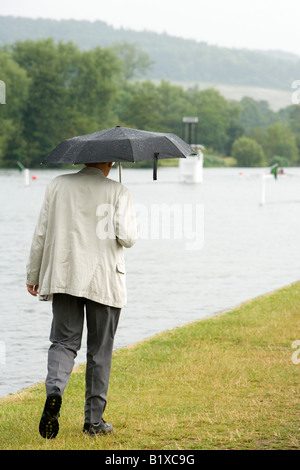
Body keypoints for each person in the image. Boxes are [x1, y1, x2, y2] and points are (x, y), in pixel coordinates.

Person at [26, 162, 138, 439]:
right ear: (109, 163)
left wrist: (33, 273)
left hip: (64, 275)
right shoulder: (118, 191)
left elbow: (41, 233)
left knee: (63, 343)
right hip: (104, 280)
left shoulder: (57, 185)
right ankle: (94, 423)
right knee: (99, 351)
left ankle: (54, 390)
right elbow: (127, 237)